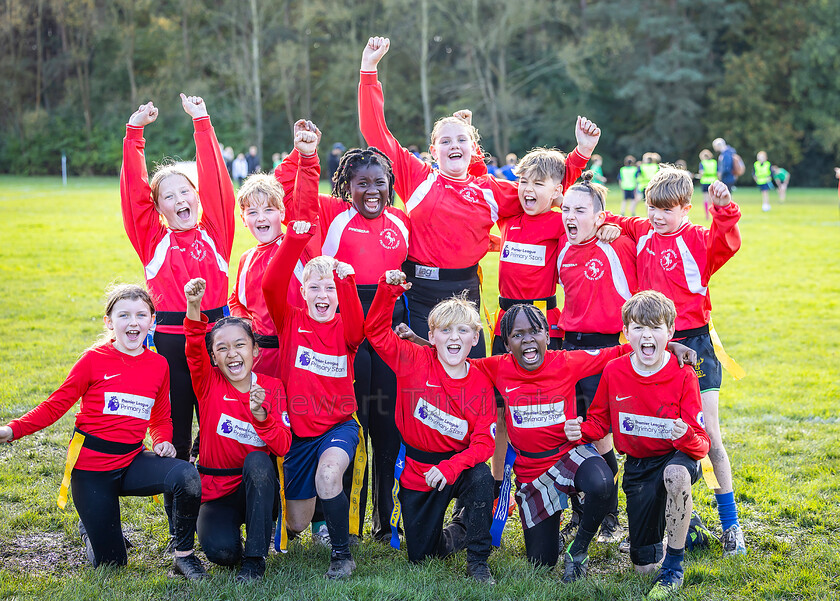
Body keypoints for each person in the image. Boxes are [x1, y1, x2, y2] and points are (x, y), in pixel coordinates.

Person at [358, 36, 597, 358]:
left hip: (466, 289)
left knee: (472, 374)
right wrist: (368, 70)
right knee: (419, 374)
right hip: (419, 290)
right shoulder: (417, 178)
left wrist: (580, 155)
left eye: (461, 139)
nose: (453, 145)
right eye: (445, 141)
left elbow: (542, 189)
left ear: (473, 149)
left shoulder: (490, 190)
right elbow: (376, 133)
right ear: (433, 151)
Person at [0, 285, 206, 579]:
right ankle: (91, 527)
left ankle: (184, 556)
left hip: (133, 461)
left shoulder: (159, 365)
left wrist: (162, 441)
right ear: (109, 322)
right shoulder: (93, 360)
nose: (132, 322)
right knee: (112, 564)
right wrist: (11, 430)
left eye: (140, 315)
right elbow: (55, 405)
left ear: (152, 322)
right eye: (123, 315)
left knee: (185, 475)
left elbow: (160, 416)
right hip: (92, 468)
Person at [276, 120, 409, 544]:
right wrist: (308, 155)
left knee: (387, 430)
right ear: (345, 187)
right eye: (362, 183)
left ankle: (385, 521)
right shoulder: (333, 215)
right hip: (346, 336)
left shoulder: (402, 222)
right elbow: (295, 203)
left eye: (381, 182)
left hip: (387, 332)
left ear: (390, 184)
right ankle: (344, 526)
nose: (372, 190)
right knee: (354, 427)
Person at [605, 169, 745, 556]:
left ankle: (731, 524)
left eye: (666, 210)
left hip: (695, 344)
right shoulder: (643, 230)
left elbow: (727, 241)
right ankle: (680, 516)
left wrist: (724, 208)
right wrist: (603, 225)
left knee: (709, 433)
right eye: (652, 208)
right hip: (650, 347)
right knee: (659, 432)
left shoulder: (699, 239)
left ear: (686, 208)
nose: (656, 216)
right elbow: (610, 217)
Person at [119, 95, 235, 545]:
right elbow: (133, 195)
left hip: (218, 340)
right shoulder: (153, 239)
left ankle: (221, 511)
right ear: (159, 208)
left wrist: (202, 124)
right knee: (176, 430)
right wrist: (134, 135)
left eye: (185, 191)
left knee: (220, 425)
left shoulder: (217, 230)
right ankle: (180, 528)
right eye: (168, 196)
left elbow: (218, 180)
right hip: (169, 343)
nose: (180, 198)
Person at [565, 290, 710, 598]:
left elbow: (701, 445)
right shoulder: (615, 371)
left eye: (656, 327)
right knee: (643, 567)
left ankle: (674, 568)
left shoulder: (684, 374)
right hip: (639, 469)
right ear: (626, 332)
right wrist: (581, 431)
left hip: (674, 458)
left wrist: (683, 434)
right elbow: (600, 423)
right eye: (639, 328)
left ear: (669, 333)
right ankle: (690, 532)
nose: (647, 335)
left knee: (676, 476)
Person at [365, 270, 497, 584]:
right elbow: (375, 333)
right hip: (418, 470)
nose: (454, 338)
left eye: (463, 331)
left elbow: (483, 443)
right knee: (423, 555)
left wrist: (452, 468)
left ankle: (478, 560)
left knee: (481, 477)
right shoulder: (413, 359)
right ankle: (457, 531)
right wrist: (388, 291)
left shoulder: (480, 383)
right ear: (432, 335)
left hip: (457, 467)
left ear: (475, 338)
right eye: (446, 330)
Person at [261, 219, 365, 580]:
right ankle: (307, 519)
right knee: (297, 523)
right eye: (314, 287)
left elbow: (356, 327)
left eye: (329, 289)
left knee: (329, 473)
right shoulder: (289, 320)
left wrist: (347, 281)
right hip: (299, 435)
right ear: (302, 291)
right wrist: (294, 240)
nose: (323, 295)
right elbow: (270, 284)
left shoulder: (345, 328)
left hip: (338, 427)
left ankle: (341, 554)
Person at [183, 278, 290, 582]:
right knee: (223, 554)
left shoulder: (272, 388)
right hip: (217, 492)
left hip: (258, 489)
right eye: (222, 348)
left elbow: (283, 446)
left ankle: (255, 560)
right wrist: (193, 306)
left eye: (240, 345)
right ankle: (235, 544)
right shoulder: (207, 383)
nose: (232, 353)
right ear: (214, 358)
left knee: (258, 460)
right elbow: (193, 347)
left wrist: (262, 416)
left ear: (255, 350)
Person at [556, 173, 637, 543]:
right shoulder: (563, 248)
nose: (570, 216)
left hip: (605, 350)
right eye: (566, 209)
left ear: (599, 217)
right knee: (571, 433)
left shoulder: (615, 245)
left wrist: (615, 223)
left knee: (600, 434)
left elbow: (647, 225)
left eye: (580, 210)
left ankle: (609, 513)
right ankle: (578, 511)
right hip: (568, 351)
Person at [698, 149, 717, 220]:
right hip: (713, 181)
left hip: (705, 181)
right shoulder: (714, 162)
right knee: (712, 199)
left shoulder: (703, 163)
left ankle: (707, 215)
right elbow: (718, 172)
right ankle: (714, 214)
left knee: (706, 199)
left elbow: (701, 172)